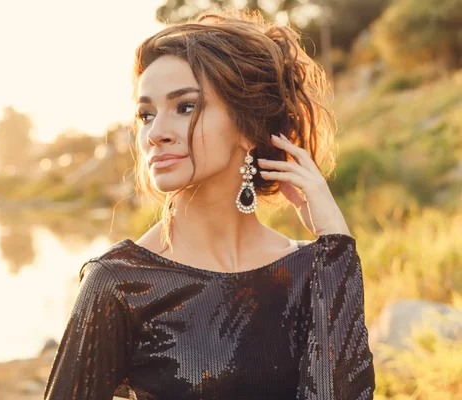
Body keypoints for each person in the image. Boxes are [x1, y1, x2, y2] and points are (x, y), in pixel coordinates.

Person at [44, 11, 375, 400]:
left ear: (249, 127)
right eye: (146, 114)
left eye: (184, 107)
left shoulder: (310, 271)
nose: (155, 134)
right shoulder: (120, 282)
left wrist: (335, 240)